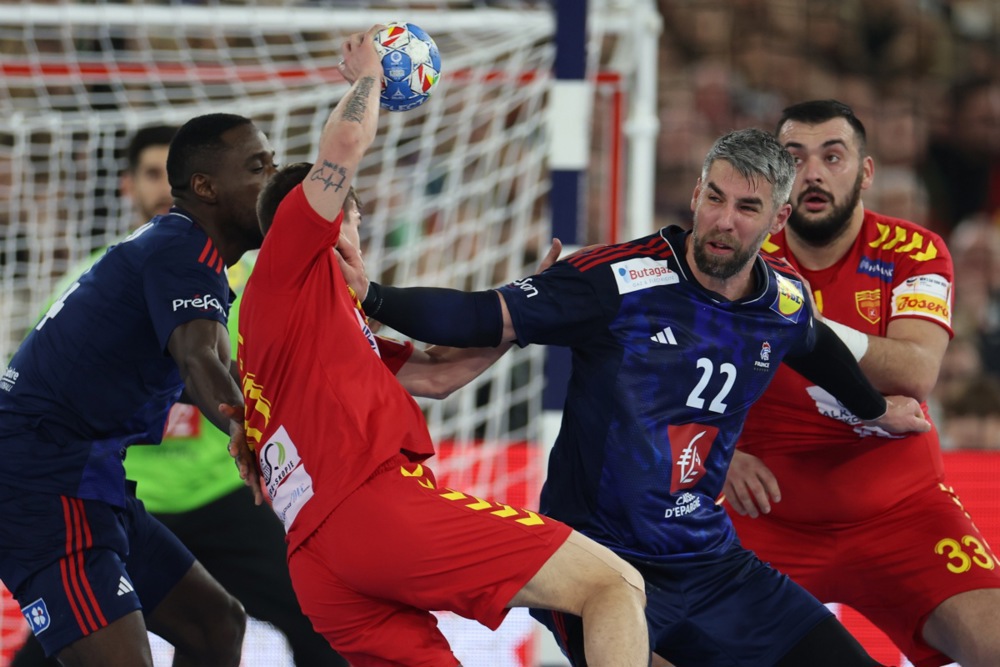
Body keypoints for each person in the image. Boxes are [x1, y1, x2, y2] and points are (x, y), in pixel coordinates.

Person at [352, 127, 932, 666]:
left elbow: (816, 345)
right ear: (696, 194)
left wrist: (876, 410)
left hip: (710, 565)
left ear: (778, 218)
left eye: (747, 208)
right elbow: (479, 315)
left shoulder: (781, 301)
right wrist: (372, 296)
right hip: (596, 567)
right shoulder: (614, 281)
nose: (724, 221)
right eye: (715, 197)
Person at [231, 25, 650, 667]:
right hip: (375, 509)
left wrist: (533, 306)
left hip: (320, 565)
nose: (357, 238)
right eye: (353, 219)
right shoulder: (289, 264)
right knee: (613, 584)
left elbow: (436, 375)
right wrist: (369, 76)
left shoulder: (314, 326)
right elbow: (344, 142)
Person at [10, 126, 347, 667]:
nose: (273, 180)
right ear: (206, 188)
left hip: (96, 478)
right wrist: (254, 435)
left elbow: (211, 365)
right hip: (43, 482)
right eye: (258, 168)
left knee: (217, 626)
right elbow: (199, 363)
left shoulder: (192, 255)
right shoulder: (179, 250)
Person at [723, 99, 1000, 667]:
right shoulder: (735, 255)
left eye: (834, 156)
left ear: (865, 171)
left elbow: (916, 371)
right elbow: (663, 374)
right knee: (648, 647)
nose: (815, 173)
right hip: (764, 516)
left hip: (903, 513)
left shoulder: (914, 250)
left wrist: (781, 313)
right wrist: (714, 455)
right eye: (795, 158)